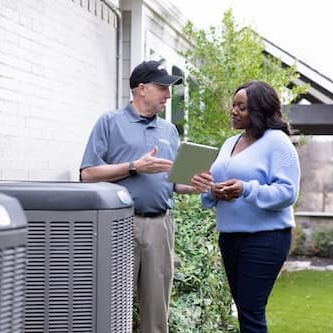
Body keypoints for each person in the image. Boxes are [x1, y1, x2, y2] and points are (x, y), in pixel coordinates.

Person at [80, 60, 194, 333]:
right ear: (141, 89)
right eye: (162, 88)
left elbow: (175, 183)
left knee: (156, 311)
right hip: (119, 226)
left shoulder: (169, 131)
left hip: (159, 226)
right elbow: (87, 174)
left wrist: (197, 184)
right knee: (111, 305)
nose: (168, 94)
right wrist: (133, 166)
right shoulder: (110, 122)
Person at [191, 80, 300, 333]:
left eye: (242, 107)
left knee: (251, 311)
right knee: (244, 310)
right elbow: (214, 183)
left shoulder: (277, 142)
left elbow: (288, 192)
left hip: (266, 239)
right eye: (233, 105)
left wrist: (246, 188)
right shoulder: (230, 143)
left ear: (259, 110)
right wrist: (213, 191)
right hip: (230, 237)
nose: (233, 111)